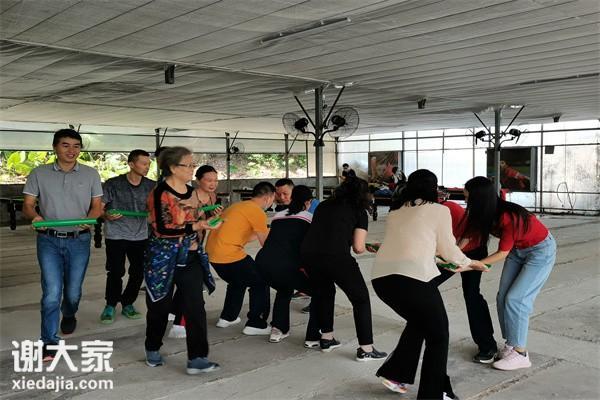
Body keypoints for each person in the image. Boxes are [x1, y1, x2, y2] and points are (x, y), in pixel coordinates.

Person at [371, 170, 487, 399]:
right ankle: (433, 394)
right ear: (434, 188)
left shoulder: (396, 211)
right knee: (438, 336)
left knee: (420, 322)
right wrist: (472, 263)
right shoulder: (439, 210)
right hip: (413, 280)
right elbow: (448, 250)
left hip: (382, 280)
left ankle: (396, 374)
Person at [22, 129, 103, 361]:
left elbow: (97, 206)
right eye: (65, 145)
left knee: (73, 293)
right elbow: (28, 205)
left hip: (79, 240)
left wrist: (89, 219)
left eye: (76, 146)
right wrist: (35, 217)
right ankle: (49, 342)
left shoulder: (90, 174)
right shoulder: (39, 173)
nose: (71, 150)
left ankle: (69, 313)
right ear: (55, 147)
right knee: (51, 293)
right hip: (48, 240)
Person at [461, 176, 556, 371]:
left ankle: (520, 353)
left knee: (517, 299)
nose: (465, 200)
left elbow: (501, 253)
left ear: (478, 198)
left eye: (467, 197)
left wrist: (472, 264)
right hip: (518, 251)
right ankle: (512, 345)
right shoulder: (483, 212)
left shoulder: (507, 216)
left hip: (540, 251)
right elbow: (469, 236)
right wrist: (453, 254)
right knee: (502, 297)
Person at [143, 146, 221, 374]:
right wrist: (195, 226)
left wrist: (209, 219)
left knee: (195, 307)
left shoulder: (192, 192)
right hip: (163, 259)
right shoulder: (160, 193)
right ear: (173, 168)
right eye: (188, 165)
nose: (192, 169)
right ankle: (152, 346)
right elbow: (162, 228)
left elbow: (198, 217)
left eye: (192, 164)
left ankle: (197, 358)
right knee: (159, 307)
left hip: (191, 256)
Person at [301, 176, 387, 360]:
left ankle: (326, 338)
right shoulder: (359, 211)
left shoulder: (323, 206)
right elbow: (358, 247)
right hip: (336, 257)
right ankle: (366, 349)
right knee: (361, 299)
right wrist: (371, 246)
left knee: (325, 294)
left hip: (310, 256)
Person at [432, 187, 498, 363]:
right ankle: (425, 326)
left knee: (471, 294)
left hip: (472, 251)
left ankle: (488, 346)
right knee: (425, 285)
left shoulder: (449, 208)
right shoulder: (422, 210)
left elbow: (461, 244)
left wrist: (440, 256)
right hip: (452, 251)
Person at [206, 181, 275, 335]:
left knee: (238, 281)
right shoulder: (257, 211)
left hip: (213, 255)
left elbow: (245, 236)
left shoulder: (238, 206)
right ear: (268, 198)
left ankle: (227, 317)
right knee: (261, 281)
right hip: (229, 254)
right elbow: (265, 244)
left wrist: (264, 231)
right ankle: (256, 324)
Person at [255, 185, 320, 344]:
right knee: (321, 292)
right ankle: (313, 337)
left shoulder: (278, 216)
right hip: (286, 265)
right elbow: (309, 247)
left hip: (262, 263)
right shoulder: (309, 218)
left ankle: (278, 329)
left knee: (284, 289)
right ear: (308, 202)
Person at [99, 149, 155, 324]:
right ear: (131, 164)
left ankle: (128, 303)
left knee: (138, 271)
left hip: (140, 235)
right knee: (116, 271)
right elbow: (99, 208)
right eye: (143, 163)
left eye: (148, 164)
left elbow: (156, 210)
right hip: (116, 234)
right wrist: (106, 215)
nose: (147, 167)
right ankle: (110, 304)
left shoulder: (151, 186)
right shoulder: (113, 184)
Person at [168, 165, 221, 339]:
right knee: (193, 286)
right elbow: (178, 222)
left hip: (197, 245)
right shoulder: (188, 196)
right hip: (181, 246)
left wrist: (215, 216)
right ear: (198, 181)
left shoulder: (212, 197)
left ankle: (173, 311)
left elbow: (209, 222)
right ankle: (179, 324)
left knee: (188, 283)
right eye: (208, 180)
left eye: (215, 180)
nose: (213, 184)